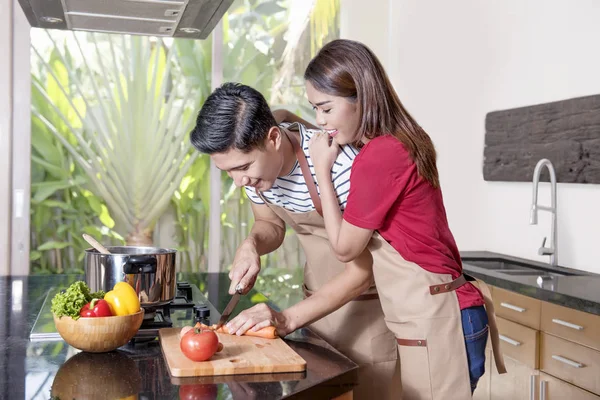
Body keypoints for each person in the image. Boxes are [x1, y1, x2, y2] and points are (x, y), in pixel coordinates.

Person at [302, 39, 507, 398]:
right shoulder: (402, 140)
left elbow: (345, 248)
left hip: (438, 315)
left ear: (361, 98)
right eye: (315, 110)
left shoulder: (380, 155)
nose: (321, 121)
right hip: (442, 311)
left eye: (326, 108)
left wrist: (321, 169)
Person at [189, 82, 400, 399]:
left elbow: (361, 273)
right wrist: (252, 245)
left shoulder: (340, 168)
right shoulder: (255, 170)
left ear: (273, 138)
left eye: (243, 167)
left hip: (366, 312)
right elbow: (269, 223)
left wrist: (285, 319)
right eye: (228, 172)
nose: (239, 181)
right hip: (316, 310)